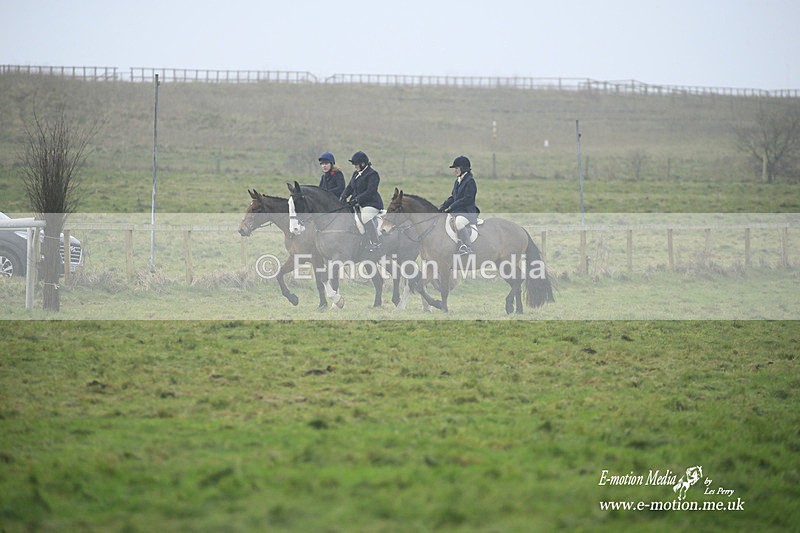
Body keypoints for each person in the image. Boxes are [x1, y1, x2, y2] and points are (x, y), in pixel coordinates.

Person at [340, 151, 383, 251]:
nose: (355, 166)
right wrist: (343, 196)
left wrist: (356, 200)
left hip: (371, 203)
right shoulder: (356, 174)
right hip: (358, 203)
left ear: (363, 164)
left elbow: (370, 191)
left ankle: (375, 241)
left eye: (356, 164)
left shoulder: (372, 174)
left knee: (365, 217)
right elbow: (350, 187)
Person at [439, 155, 479, 255]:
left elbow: (467, 199)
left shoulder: (470, 181)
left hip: (468, 212)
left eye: (456, 168)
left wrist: (451, 207)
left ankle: (467, 247)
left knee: (459, 223)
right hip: (458, 211)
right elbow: (453, 197)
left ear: (463, 168)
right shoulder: (458, 181)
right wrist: (443, 207)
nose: (455, 170)